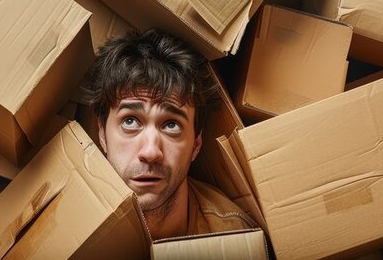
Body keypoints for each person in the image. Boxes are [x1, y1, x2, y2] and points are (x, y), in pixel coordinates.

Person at [80, 29, 256, 240]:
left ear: (196, 145)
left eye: (171, 125)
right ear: (102, 135)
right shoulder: (64, 226)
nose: (151, 152)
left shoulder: (235, 238)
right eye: (130, 121)